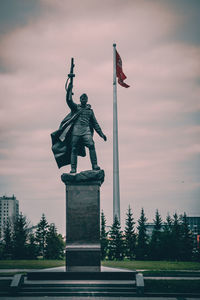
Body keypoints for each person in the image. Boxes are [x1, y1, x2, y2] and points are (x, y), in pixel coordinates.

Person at [51, 79, 107, 173]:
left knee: (92, 145)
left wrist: (101, 134)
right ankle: (73, 168)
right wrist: (69, 88)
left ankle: (95, 165)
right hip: (76, 131)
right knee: (74, 149)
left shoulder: (90, 111)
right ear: (80, 100)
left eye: (85, 99)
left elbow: (95, 124)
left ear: (87, 100)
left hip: (86, 131)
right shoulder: (76, 108)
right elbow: (69, 100)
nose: (83, 100)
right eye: (82, 98)